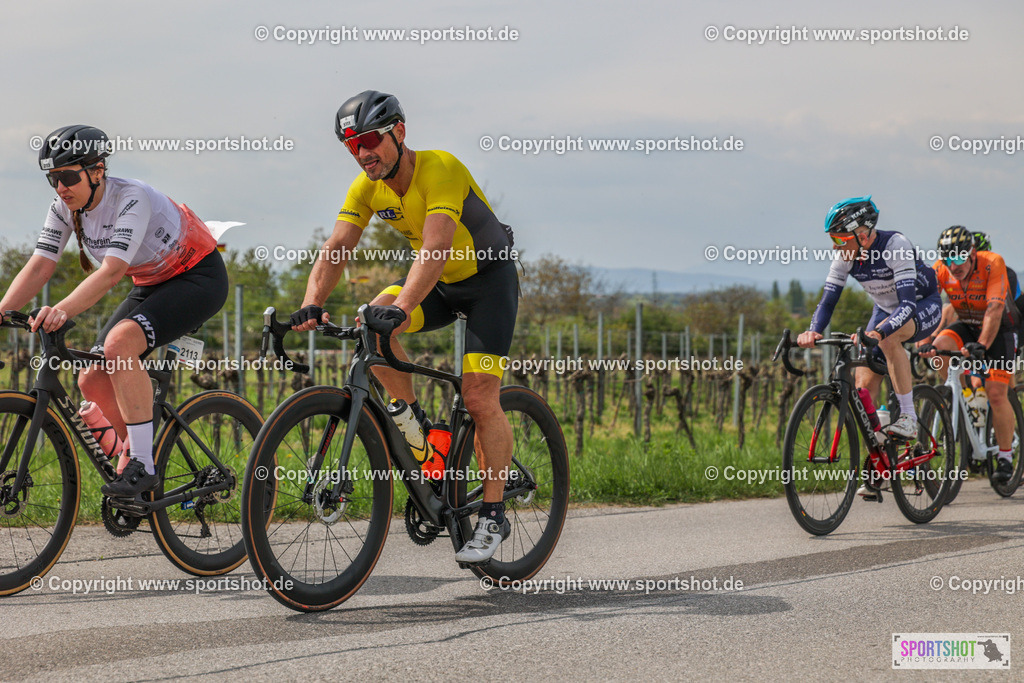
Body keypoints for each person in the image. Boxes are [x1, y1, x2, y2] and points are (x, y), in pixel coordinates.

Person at [291, 91, 518, 563]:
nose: (363, 152)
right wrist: (312, 302)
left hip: (488, 285)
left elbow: (434, 249)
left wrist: (404, 304)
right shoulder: (366, 188)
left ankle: (493, 514)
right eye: (352, 145)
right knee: (370, 322)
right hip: (438, 286)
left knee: (478, 398)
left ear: (399, 131)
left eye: (371, 139)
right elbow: (337, 246)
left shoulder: (440, 169)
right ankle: (419, 432)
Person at [0, 125, 228, 497]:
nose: (60, 187)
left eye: (68, 176)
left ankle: (144, 466)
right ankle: (136, 456)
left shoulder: (131, 197)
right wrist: (3, 309)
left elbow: (111, 272)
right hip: (151, 283)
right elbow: (42, 264)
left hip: (198, 278)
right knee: (91, 377)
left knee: (119, 344)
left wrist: (59, 310)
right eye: (53, 178)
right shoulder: (63, 207)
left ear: (98, 170)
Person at [798, 197, 942, 498]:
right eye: (832, 240)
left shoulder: (895, 245)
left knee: (889, 339)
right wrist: (812, 331)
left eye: (839, 239)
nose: (835, 247)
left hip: (921, 306)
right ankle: (881, 460)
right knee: (863, 386)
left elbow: (906, 305)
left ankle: (908, 419)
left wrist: (879, 332)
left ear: (862, 234)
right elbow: (827, 302)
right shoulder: (846, 256)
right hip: (884, 310)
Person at [917, 226, 1021, 482]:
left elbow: (995, 309)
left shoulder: (993, 263)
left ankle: (1006, 458)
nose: (954, 266)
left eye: (960, 258)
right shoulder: (941, 268)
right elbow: (925, 305)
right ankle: (962, 396)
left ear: (973, 253)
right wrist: (923, 341)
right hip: (967, 324)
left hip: (1000, 330)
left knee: (997, 393)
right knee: (940, 346)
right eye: (948, 259)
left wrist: (983, 345)